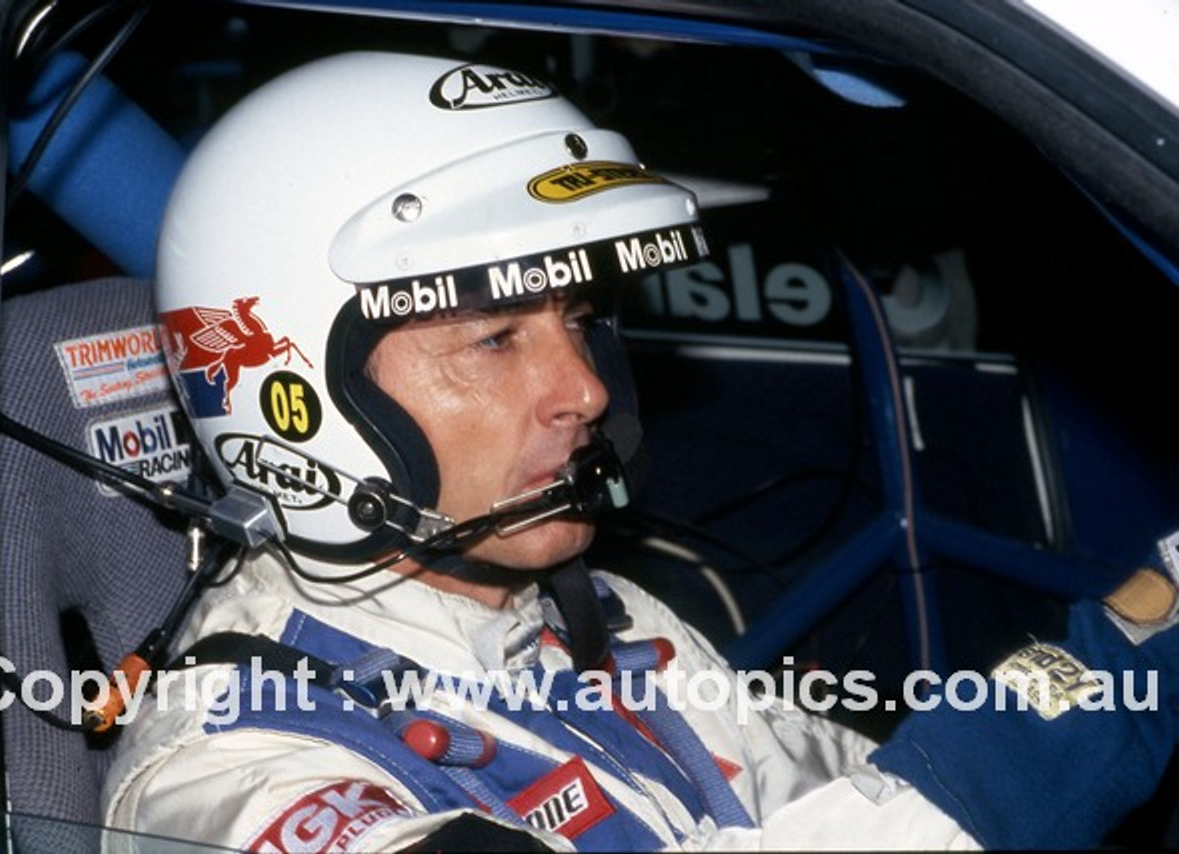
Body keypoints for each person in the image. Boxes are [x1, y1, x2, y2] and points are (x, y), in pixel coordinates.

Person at [101, 50, 1179, 851]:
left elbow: (864, 790)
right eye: (492, 339)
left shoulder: (604, 620)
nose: (578, 388)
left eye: (578, 323)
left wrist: (1136, 634)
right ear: (296, 397)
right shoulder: (233, 771)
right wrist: (1079, 705)